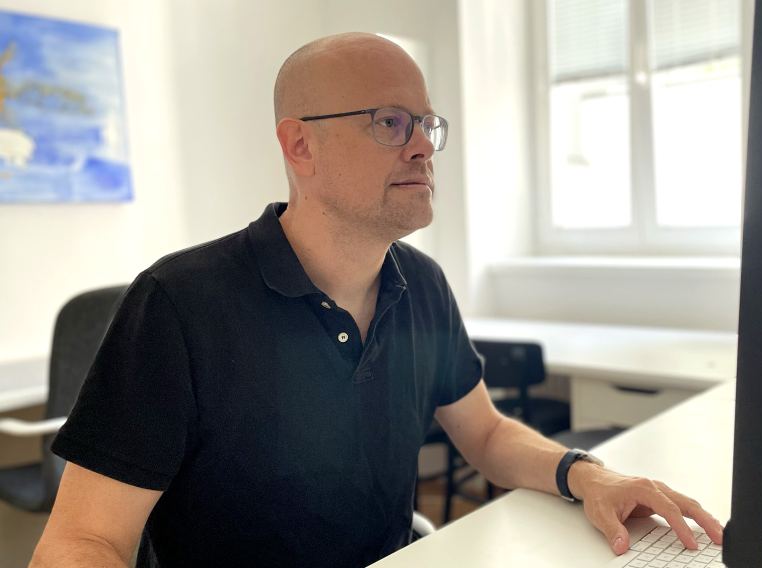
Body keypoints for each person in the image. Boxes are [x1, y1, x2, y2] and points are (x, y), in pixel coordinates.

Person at [30, 33, 723, 567]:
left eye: (427, 124)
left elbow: (484, 433)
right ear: (300, 144)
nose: (423, 146)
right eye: (390, 123)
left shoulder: (419, 284)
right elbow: (84, 537)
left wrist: (588, 475)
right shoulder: (177, 306)